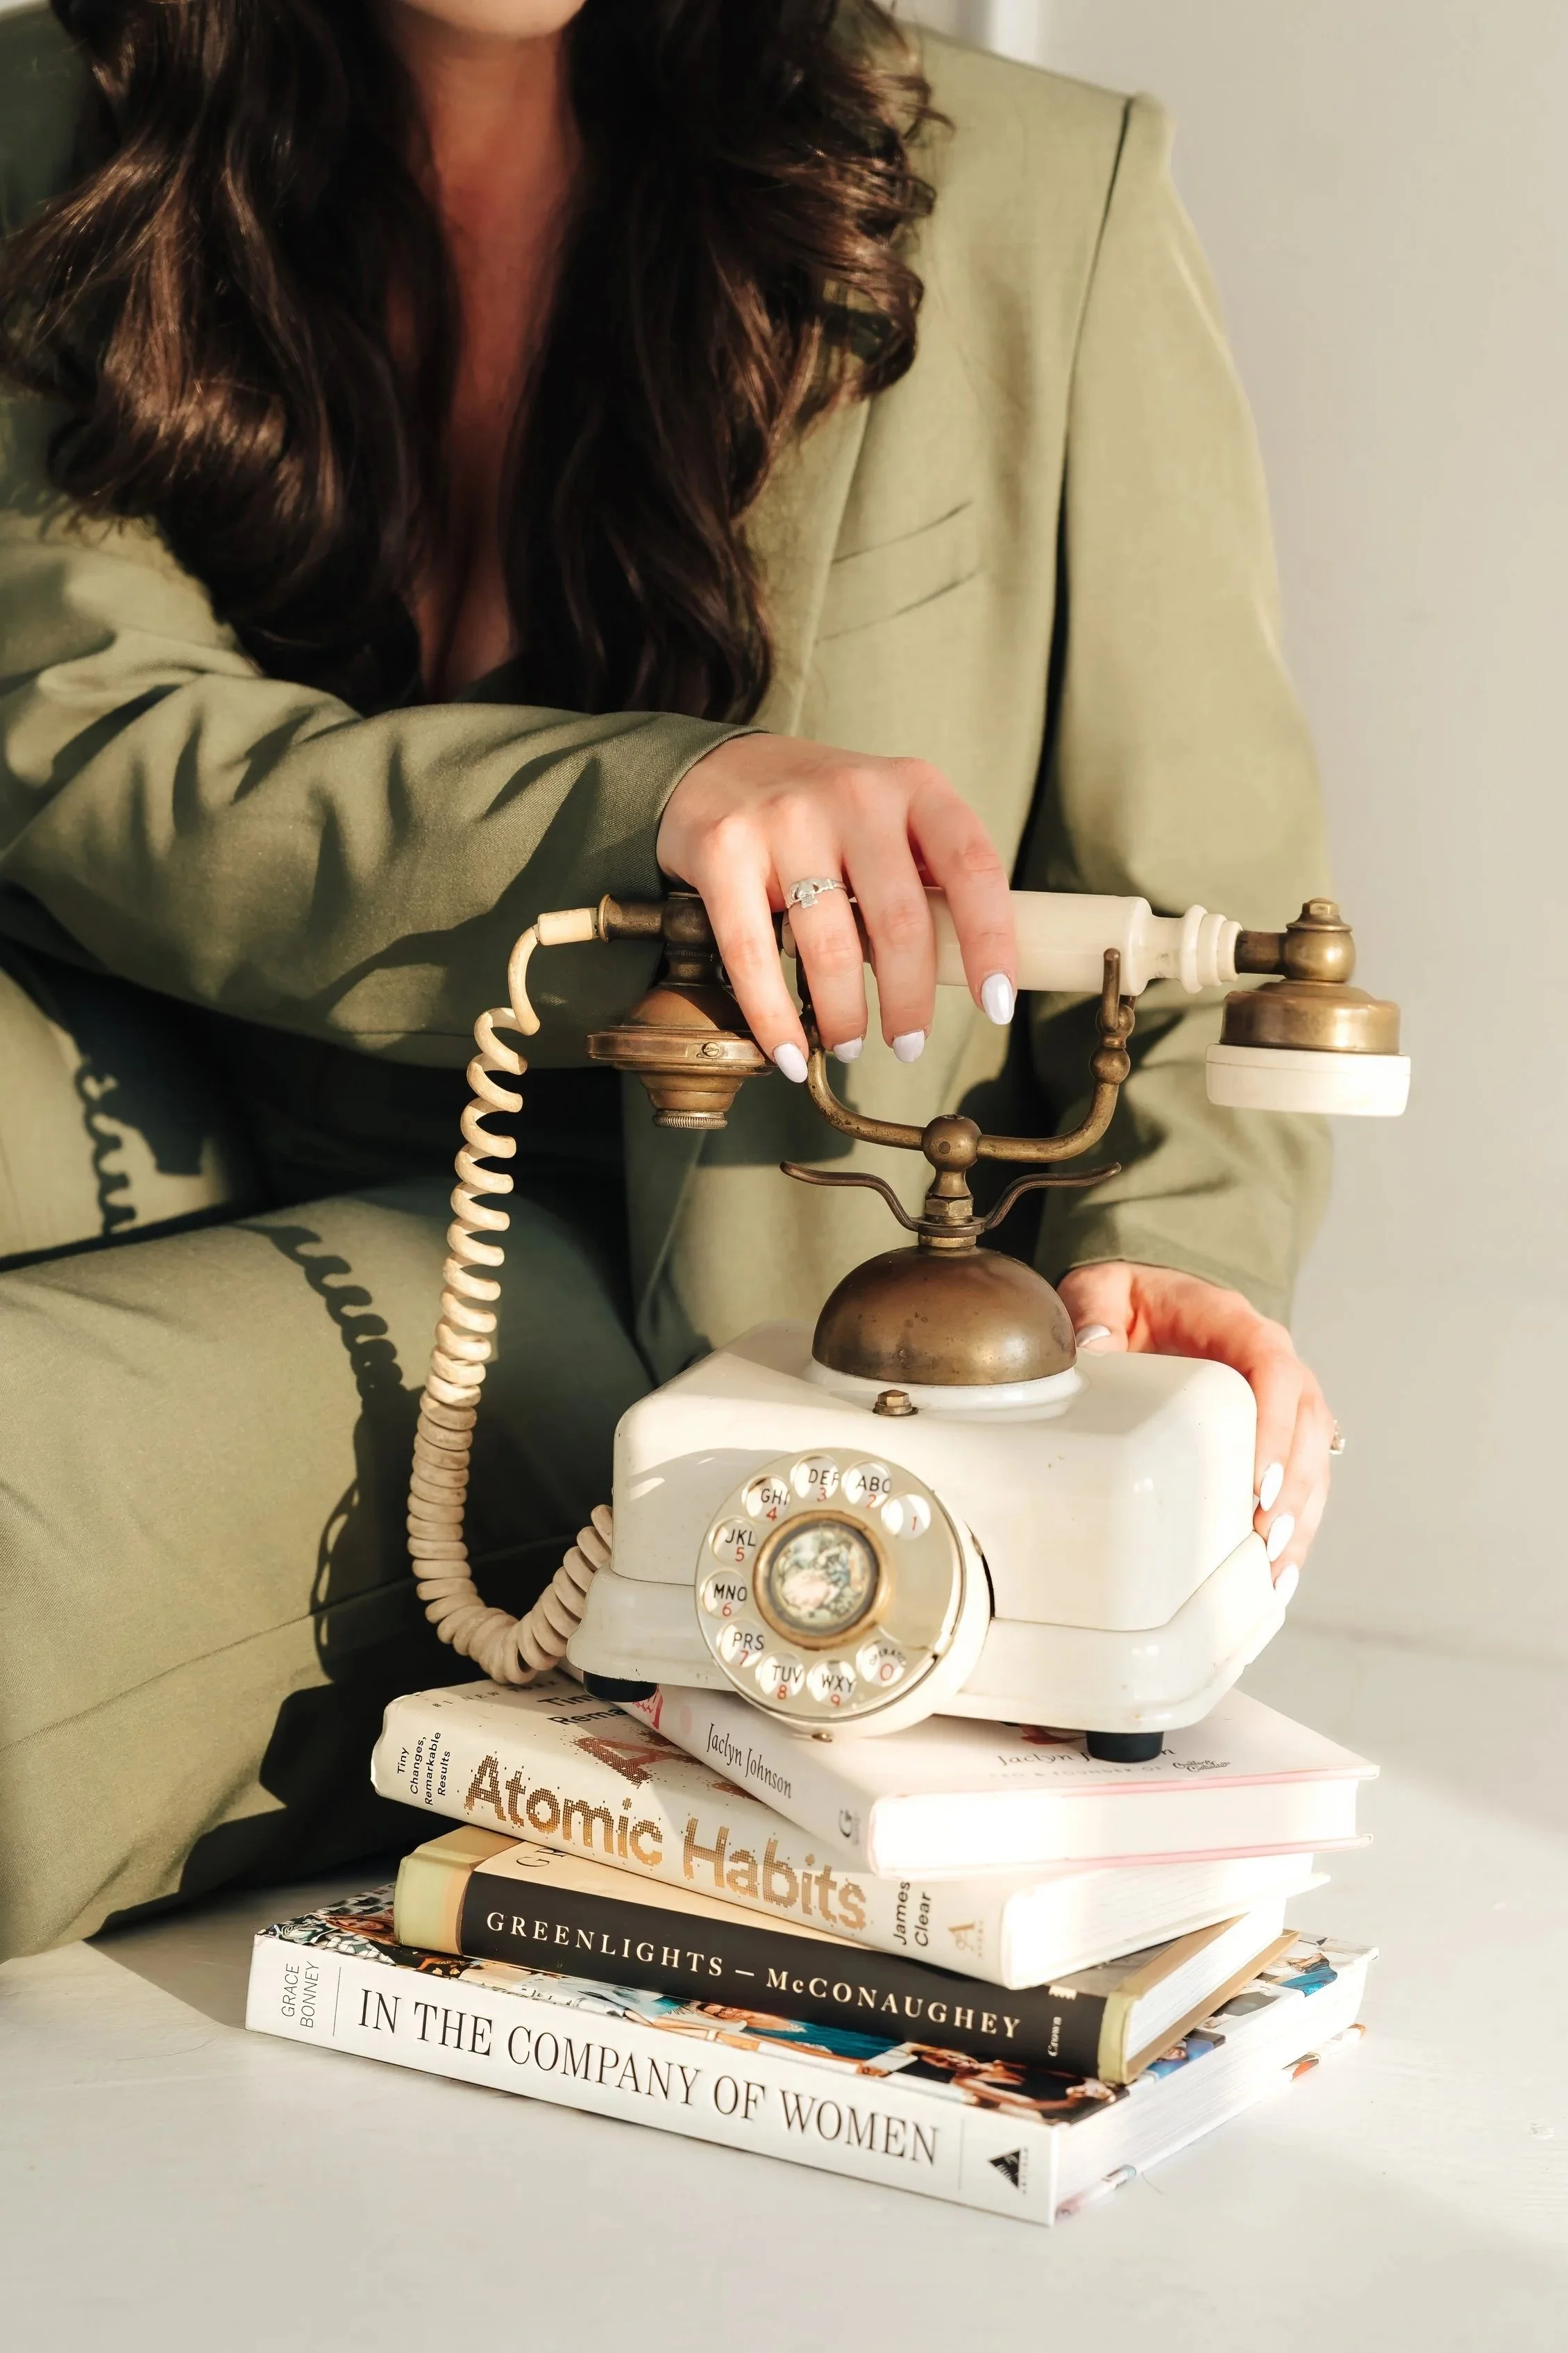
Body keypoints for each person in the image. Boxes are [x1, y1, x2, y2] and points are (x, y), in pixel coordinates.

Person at [0, 0, 1334, 1960]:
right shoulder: (62, 103)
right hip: (136, 1035)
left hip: (653, 1267)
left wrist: (1173, 1298)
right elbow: (85, 727)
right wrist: (647, 804)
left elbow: (1201, 901)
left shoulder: (1051, 200)